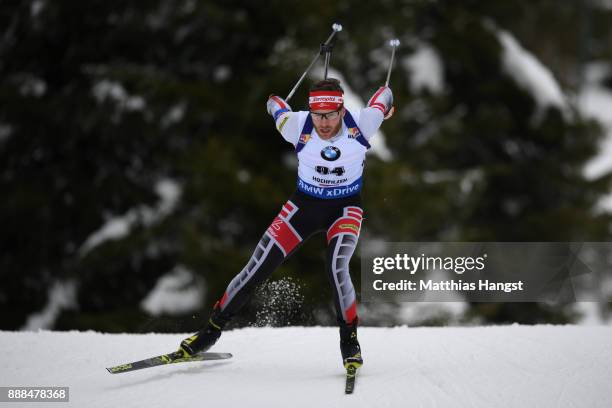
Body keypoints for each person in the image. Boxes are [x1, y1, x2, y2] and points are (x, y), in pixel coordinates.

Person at [179, 78, 393, 370]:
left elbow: (384, 95)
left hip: (345, 208)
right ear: (310, 111)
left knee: (336, 265)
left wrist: (388, 103)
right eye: (318, 115)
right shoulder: (297, 125)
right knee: (257, 266)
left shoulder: (363, 123)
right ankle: (209, 332)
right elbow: (276, 106)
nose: (324, 123)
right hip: (303, 207)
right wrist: (274, 101)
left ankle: (349, 341)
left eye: (331, 115)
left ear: (342, 111)